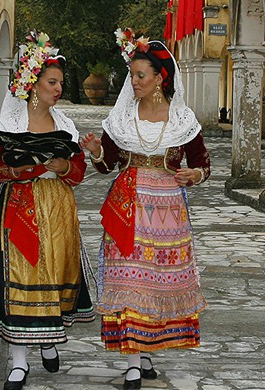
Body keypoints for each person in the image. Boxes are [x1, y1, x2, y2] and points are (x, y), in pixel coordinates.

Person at [79, 29, 211, 390]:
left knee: (156, 285)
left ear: (159, 78)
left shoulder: (182, 119)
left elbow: (203, 162)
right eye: (132, 75)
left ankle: (147, 350)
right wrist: (96, 153)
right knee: (131, 280)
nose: (134, 82)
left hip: (167, 213)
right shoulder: (121, 119)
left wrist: (193, 174)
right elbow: (109, 165)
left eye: (141, 75)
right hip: (128, 207)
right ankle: (135, 361)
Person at [0, 31, 94, 390]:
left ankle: (47, 336)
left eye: (59, 82)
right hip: (19, 205)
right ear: (33, 83)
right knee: (20, 275)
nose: (57, 89)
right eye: (51, 82)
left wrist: (64, 168)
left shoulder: (65, 126)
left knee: (54, 270)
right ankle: (18, 361)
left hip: (57, 207)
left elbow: (79, 172)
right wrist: (16, 169)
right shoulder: (10, 124)